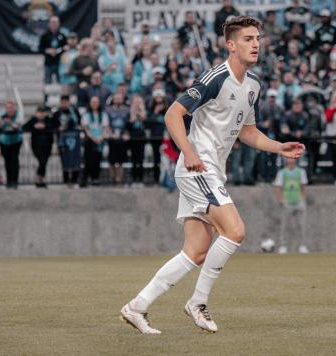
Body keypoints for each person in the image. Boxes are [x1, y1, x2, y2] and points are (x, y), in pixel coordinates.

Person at [120, 16, 304, 334]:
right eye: (247, 38)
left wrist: (279, 148)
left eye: (257, 37)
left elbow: (248, 132)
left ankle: (137, 307)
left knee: (196, 251)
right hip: (197, 169)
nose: (256, 43)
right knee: (235, 230)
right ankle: (197, 302)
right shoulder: (215, 78)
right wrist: (189, 152)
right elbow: (172, 113)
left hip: (212, 172)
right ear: (230, 45)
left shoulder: (254, 86)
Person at [273, 157, 308, 254]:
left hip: (298, 201)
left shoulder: (301, 172)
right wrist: (281, 200)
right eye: (288, 158)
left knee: (301, 225)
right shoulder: (282, 173)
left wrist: (302, 199)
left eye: (292, 158)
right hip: (287, 201)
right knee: (284, 225)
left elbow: (303, 186)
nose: (290, 160)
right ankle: (283, 245)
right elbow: (277, 187)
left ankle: (302, 245)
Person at [23, 106, 59, 188]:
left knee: (44, 162)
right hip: (36, 145)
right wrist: (34, 126)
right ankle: (39, 179)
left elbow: (56, 125)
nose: (41, 114)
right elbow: (24, 127)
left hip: (47, 145)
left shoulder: (49, 120)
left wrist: (45, 126)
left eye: (43, 112)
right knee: (42, 161)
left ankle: (40, 180)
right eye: (40, 112)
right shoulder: (33, 120)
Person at [80, 96, 109, 186]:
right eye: (93, 102)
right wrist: (94, 138)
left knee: (97, 160)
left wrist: (101, 137)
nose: (94, 104)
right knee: (88, 160)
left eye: (96, 102)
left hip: (100, 140)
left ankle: (95, 178)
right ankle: (84, 179)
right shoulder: (86, 115)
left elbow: (105, 128)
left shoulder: (103, 115)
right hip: (90, 141)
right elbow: (86, 129)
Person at [0, 101, 24, 188]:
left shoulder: (18, 114)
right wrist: (2, 122)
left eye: (11, 107)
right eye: (8, 108)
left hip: (16, 141)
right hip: (4, 141)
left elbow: (17, 126)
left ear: (14, 108)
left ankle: (14, 181)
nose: (9, 109)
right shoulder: (2, 115)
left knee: (14, 161)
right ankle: (8, 181)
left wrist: (9, 122)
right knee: (7, 162)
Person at [39, 16, 66, 84]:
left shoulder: (62, 36)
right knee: (47, 81)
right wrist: (47, 51)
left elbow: (65, 48)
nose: (54, 24)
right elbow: (40, 48)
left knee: (61, 81)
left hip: (59, 62)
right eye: (52, 22)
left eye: (56, 22)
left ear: (59, 23)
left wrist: (58, 51)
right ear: (49, 24)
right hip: (48, 63)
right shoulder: (44, 36)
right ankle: (47, 94)